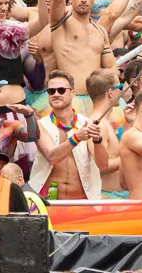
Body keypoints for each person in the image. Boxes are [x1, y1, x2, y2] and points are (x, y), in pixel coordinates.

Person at [27, 69, 109, 200]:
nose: (56, 94)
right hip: (47, 200)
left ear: (73, 93)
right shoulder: (41, 125)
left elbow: (103, 165)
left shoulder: (86, 123)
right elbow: (52, 157)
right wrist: (77, 138)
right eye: (51, 91)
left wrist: (97, 140)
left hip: (82, 200)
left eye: (61, 90)